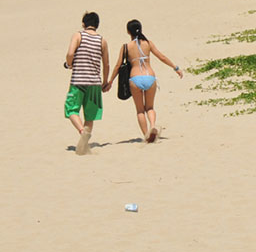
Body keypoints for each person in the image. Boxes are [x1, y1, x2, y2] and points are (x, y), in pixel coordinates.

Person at [106, 19, 182, 144]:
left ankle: (147, 135)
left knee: (140, 110)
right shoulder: (148, 43)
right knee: (150, 107)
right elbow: (161, 56)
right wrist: (176, 68)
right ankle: (153, 126)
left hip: (135, 78)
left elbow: (117, 66)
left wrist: (110, 82)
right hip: (150, 77)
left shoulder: (126, 47)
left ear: (128, 31)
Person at [64, 11, 110, 155]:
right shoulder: (102, 40)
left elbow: (70, 53)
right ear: (97, 25)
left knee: (71, 109)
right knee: (90, 115)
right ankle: (84, 145)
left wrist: (68, 64)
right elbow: (106, 64)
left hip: (78, 80)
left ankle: (82, 131)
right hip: (95, 82)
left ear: (84, 23)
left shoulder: (78, 35)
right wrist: (105, 81)